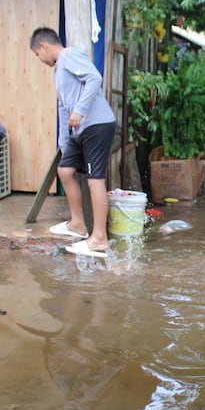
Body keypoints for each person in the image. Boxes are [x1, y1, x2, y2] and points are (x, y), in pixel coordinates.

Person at [30, 27, 116, 258]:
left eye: (38, 56)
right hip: (79, 130)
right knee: (65, 170)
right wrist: (64, 142)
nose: (41, 61)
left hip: (97, 124)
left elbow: (94, 78)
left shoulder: (70, 55)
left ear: (43, 46)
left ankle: (99, 239)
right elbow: (62, 107)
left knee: (94, 179)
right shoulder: (57, 71)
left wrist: (79, 110)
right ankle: (78, 224)